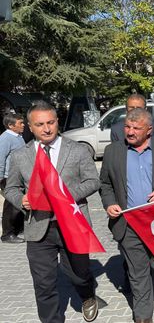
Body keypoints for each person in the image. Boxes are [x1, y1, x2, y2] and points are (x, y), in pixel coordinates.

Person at [4, 101, 100, 322]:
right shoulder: (20, 155)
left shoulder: (77, 149)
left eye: (50, 122)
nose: (46, 129)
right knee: (43, 283)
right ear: (30, 126)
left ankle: (87, 296)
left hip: (72, 225)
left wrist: (63, 195)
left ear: (57, 122)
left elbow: (92, 181)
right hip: (38, 227)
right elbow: (11, 188)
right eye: (39, 124)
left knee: (78, 274)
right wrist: (22, 199)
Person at [100, 108, 154, 323]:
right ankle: (143, 317)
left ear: (149, 130)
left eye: (137, 128)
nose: (131, 131)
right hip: (129, 224)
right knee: (138, 273)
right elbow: (106, 184)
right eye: (128, 127)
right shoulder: (112, 151)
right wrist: (109, 204)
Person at [0, 112, 26, 243]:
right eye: (20, 123)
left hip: (19, 177)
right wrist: (1, 178)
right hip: (8, 178)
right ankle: (7, 234)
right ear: (10, 125)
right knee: (11, 206)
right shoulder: (5, 138)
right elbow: (0, 158)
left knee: (20, 203)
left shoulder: (18, 136)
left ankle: (18, 229)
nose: (23, 125)